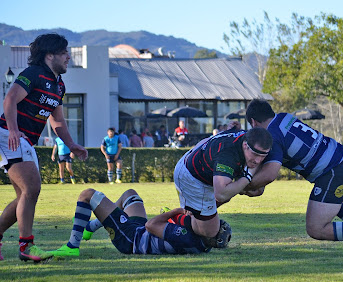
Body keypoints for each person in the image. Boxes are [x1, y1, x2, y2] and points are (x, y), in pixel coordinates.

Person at [245, 100, 343, 257]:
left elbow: (270, 174)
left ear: (253, 122)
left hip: (334, 169)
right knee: (332, 205)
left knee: (316, 228)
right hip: (340, 160)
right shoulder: (283, 117)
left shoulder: (271, 135)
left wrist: (242, 186)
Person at [0, 33, 88, 262]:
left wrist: (71, 145)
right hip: (8, 135)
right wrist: (12, 130)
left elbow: (57, 120)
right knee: (32, 188)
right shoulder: (33, 74)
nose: (68, 57)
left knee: (25, 196)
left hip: (24, 140)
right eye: (63, 53)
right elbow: (9, 100)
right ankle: (26, 247)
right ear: (49, 55)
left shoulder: (59, 85)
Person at [48, 188, 232, 257]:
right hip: (138, 231)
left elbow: (150, 225)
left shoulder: (187, 237)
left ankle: (72, 245)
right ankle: (90, 227)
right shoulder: (200, 240)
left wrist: (175, 211)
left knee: (88, 195)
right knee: (130, 194)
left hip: (131, 238)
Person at [173, 127, 273, 240]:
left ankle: (196, 213)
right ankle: (176, 217)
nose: (258, 160)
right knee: (210, 232)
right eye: (255, 154)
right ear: (245, 145)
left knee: (255, 189)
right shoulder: (227, 155)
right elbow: (220, 194)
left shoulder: (251, 138)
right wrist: (248, 176)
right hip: (191, 177)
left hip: (202, 165)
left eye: (263, 156)